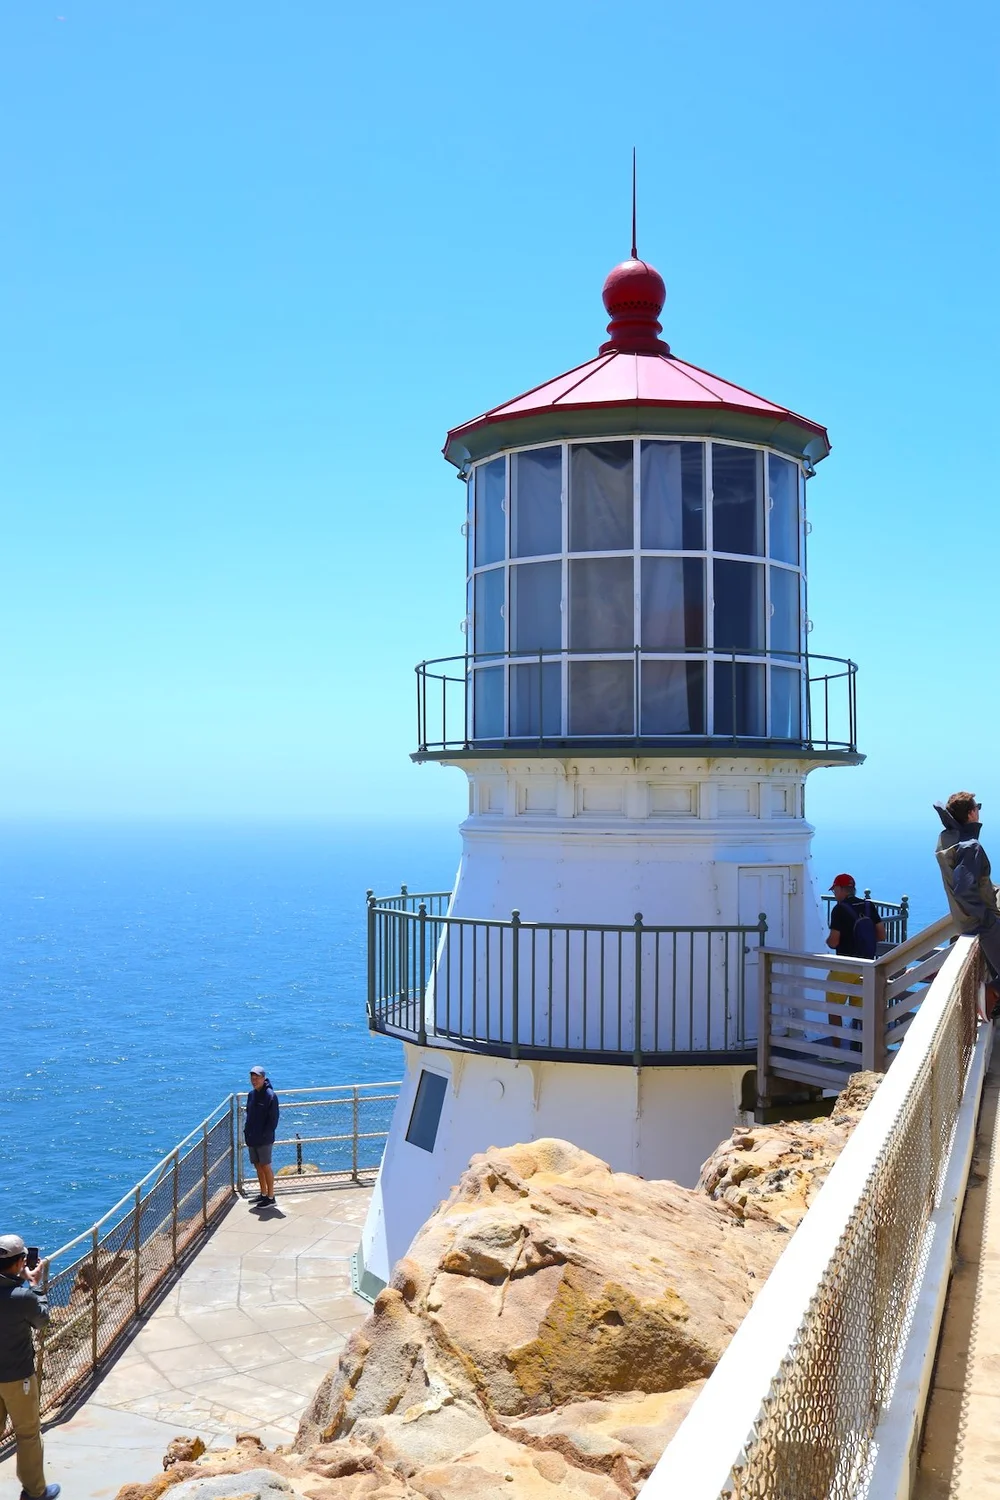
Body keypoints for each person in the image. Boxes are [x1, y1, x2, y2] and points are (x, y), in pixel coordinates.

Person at [0, 1233, 60, 1500]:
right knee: (27, 1434)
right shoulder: (22, 1296)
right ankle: (35, 1492)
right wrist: (35, 1286)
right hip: (17, 1377)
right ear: (20, 1262)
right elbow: (42, 1321)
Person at [934, 793, 1000, 1016]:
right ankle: (990, 993)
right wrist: (987, 918)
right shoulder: (970, 846)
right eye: (977, 807)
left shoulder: (948, 841)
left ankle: (993, 1001)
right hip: (983, 924)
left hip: (966, 922)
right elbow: (965, 889)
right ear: (971, 813)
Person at [825, 874, 886, 1046]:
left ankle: (835, 1051)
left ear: (841, 889)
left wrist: (828, 941)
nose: (834, 894)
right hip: (867, 965)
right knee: (861, 1010)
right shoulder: (868, 906)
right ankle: (862, 1049)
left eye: (835, 890)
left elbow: (834, 941)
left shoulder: (839, 909)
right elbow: (881, 935)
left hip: (846, 965)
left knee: (833, 1006)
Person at [244, 1066, 279, 1208]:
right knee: (258, 1165)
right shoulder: (251, 1095)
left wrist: (265, 1134)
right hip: (252, 1137)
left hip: (264, 1139)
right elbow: (249, 1114)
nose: (254, 1081)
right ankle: (263, 1193)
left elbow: (273, 1119)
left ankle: (271, 1197)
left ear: (263, 1078)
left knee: (265, 1166)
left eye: (257, 1078)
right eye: (252, 1078)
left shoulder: (270, 1095)